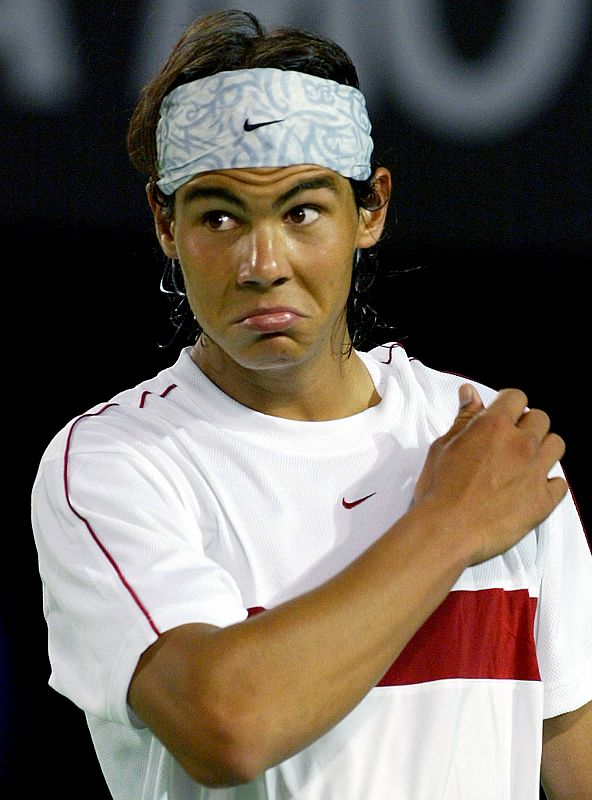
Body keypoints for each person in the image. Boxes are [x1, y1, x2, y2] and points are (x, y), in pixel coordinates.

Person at [31, 9, 591, 799]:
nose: (263, 263)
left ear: (371, 211)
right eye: (219, 215)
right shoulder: (110, 463)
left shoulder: (491, 444)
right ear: (165, 222)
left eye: (301, 212)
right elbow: (227, 727)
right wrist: (452, 524)